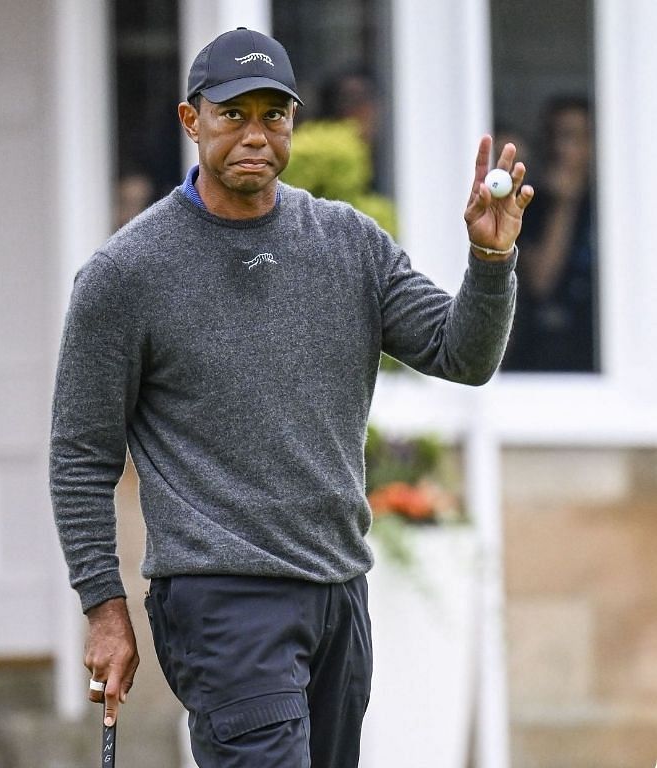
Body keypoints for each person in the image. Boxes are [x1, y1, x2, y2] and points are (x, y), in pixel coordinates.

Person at [49, 27, 531, 767]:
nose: (255, 133)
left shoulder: (349, 245)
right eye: (233, 113)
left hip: (339, 588)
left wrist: (491, 260)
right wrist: (103, 609)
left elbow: (459, 354)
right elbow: (81, 455)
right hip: (223, 603)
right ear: (191, 120)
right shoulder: (125, 275)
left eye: (274, 115)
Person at [502, 95, 596, 371]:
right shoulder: (531, 204)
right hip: (541, 353)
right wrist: (562, 207)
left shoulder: (613, 208)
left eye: (571, 137)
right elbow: (541, 282)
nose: (559, 148)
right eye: (552, 136)